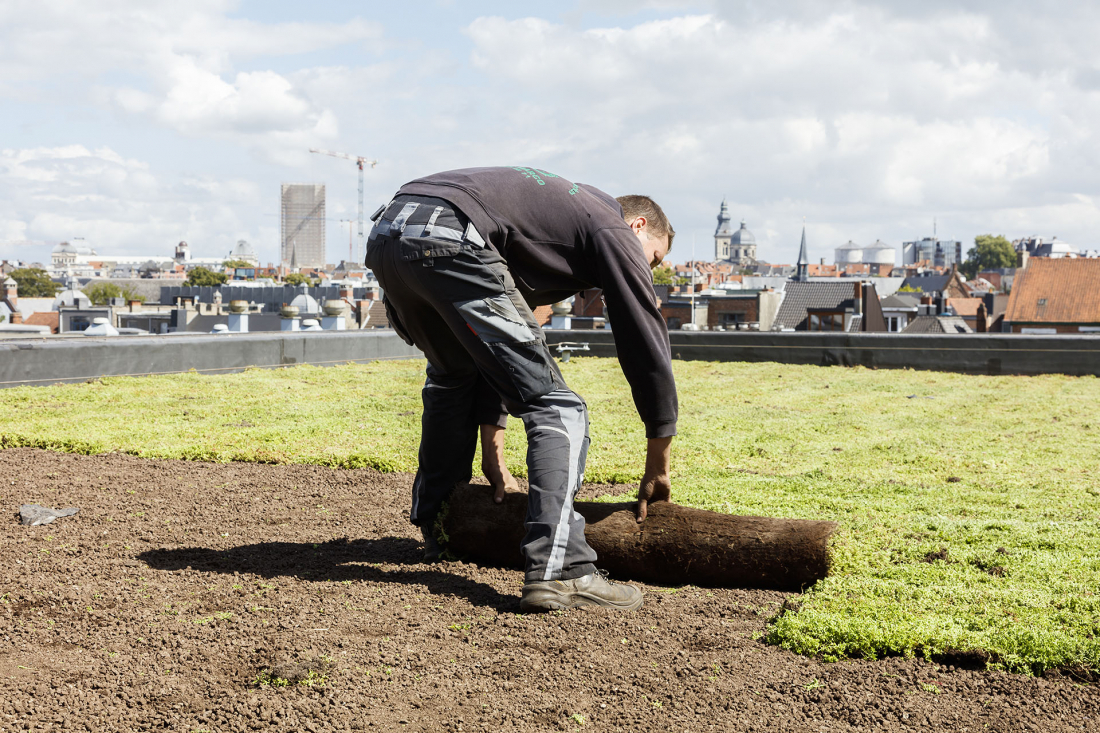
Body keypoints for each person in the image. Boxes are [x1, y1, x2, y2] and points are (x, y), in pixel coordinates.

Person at [365, 167, 677, 612]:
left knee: (453, 374)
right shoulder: (612, 226)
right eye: (656, 258)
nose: (650, 269)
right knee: (558, 407)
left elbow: (494, 359)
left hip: (393, 230)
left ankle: (443, 528)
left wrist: (493, 453)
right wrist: (658, 463)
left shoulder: (560, 225)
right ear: (639, 226)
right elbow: (646, 347)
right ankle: (562, 571)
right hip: (454, 231)